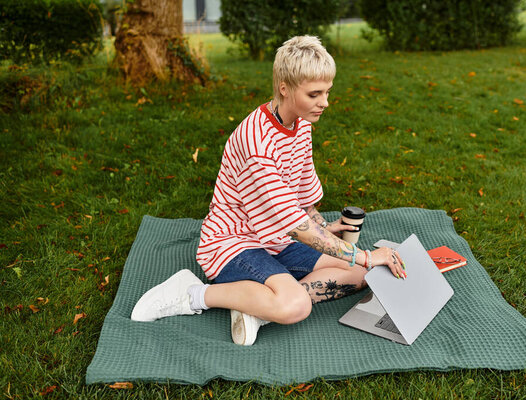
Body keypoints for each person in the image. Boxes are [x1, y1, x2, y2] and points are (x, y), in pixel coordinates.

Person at [131, 36, 407, 345]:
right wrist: (367, 256)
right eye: (314, 94)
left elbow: (302, 205)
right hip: (234, 242)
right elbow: (297, 227)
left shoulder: (301, 125)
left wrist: (326, 229)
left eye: (327, 92)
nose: (325, 102)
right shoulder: (256, 143)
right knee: (301, 304)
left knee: (358, 274)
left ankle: (258, 308)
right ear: (284, 88)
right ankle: (195, 294)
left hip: (277, 239)